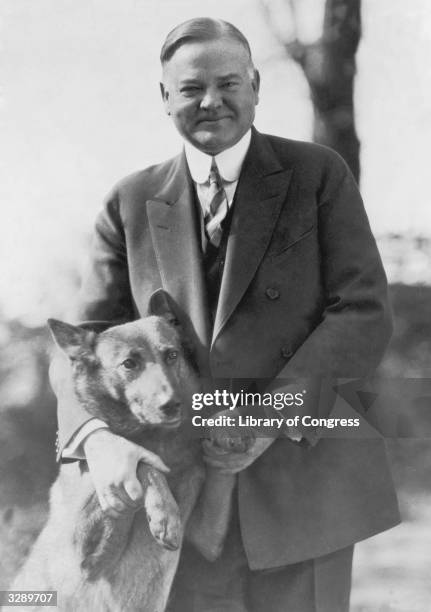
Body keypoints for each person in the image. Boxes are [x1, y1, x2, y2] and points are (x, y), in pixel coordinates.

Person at [52, 17, 401, 612]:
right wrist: (93, 439)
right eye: (190, 89)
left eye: (228, 83)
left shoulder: (319, 175)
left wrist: (267, 417)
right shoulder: (130, 201)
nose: (211, 101)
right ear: (165, 98)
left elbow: (362, 313)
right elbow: (83, 350)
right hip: (179, 501)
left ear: (257, 86)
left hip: (302, 486)